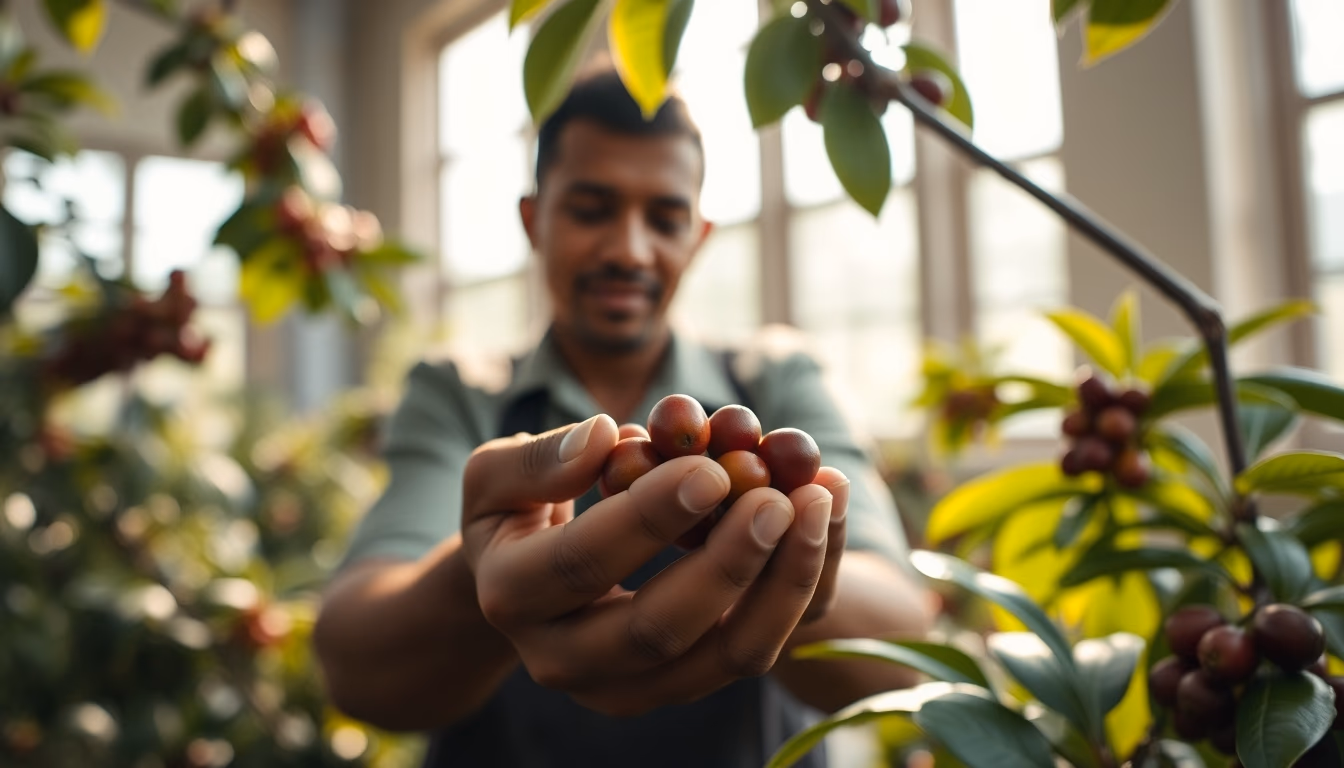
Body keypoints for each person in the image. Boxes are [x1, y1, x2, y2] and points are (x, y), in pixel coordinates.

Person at [313, 65, 935, 768]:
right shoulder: (460, 393)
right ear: (532, 220)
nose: (628, 250)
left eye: (664, 219)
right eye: (591, 208)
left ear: (698, 237)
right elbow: (354, 665)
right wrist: (480, 577)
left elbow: (899, 652)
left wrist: (779, 555)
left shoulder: (776, 379)